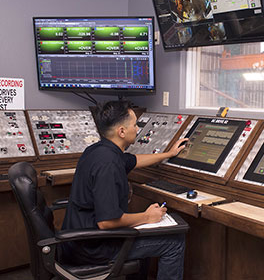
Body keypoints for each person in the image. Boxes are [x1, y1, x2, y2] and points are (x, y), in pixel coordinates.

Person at [61, 100, 188, 280]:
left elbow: (134, 160)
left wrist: (168, 154)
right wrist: (148, 217)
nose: (137, 129)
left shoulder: (99, 151)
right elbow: (107, 223)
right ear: (122, 131)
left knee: (150, 231)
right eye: (135, 125)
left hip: (78, 240)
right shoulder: (109, 165)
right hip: (94, 247)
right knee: (174, 242)